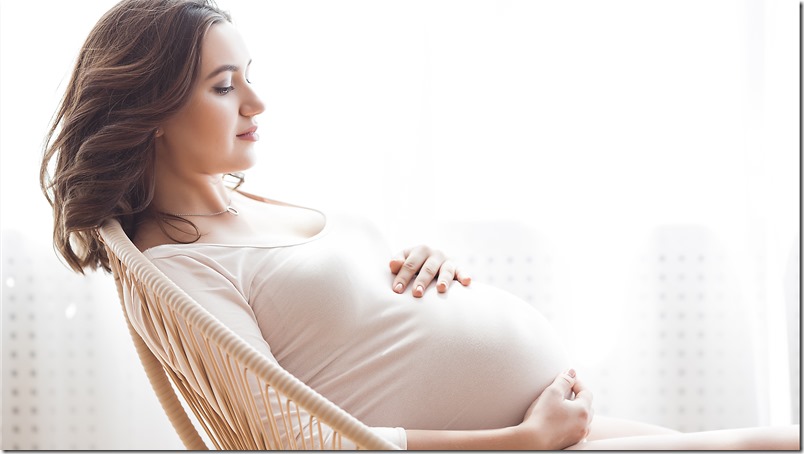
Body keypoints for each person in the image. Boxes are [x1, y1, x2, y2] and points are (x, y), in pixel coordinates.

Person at [39, 0, 799, 450]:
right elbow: (297, 443)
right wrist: (519, 441)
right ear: (151, 111)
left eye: (250, 77)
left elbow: (347, 320)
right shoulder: (175, 269)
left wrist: (418, 265)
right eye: (225, 86)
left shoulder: (250, 209)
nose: (257, 104)